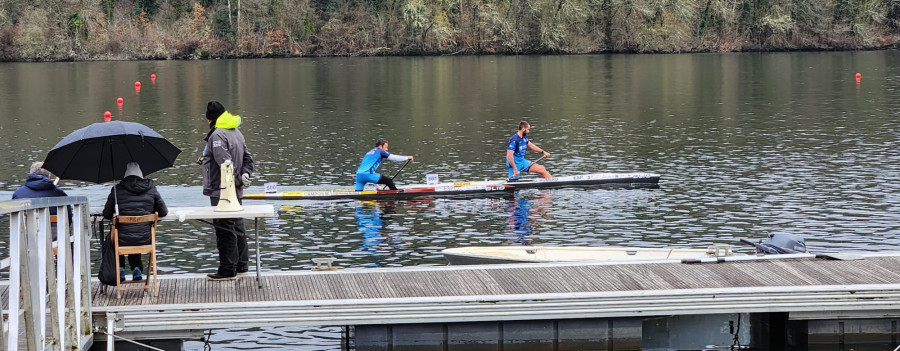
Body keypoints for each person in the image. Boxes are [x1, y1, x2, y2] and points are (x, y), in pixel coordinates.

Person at [201, 100, 254, 281]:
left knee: (224, 229)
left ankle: (227, 269)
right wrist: (245, 177)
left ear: (211, 120)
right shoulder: (236, 132)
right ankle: (242, 265)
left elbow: (225, 165)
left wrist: (236, 179)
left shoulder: (217, 136)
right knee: (237, 226)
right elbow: (248, 160)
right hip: (237, 191)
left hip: (221, 192)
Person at [102, 162, 168, 282]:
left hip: (122, 239)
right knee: (134, 232)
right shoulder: (151, 189)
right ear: (141, 175)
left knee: (118, 234)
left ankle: (120, 268)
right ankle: (137, 268)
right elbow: (163, 212)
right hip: (145, 238)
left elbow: (106, 214)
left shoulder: (117, 190)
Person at [12, 161, 71, 239]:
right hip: (56, 241)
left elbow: (14, 221)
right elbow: (68, 219)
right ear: (49, 176)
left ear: (31, 174)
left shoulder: (18, 194)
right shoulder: (60, 194)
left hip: (26, 241)